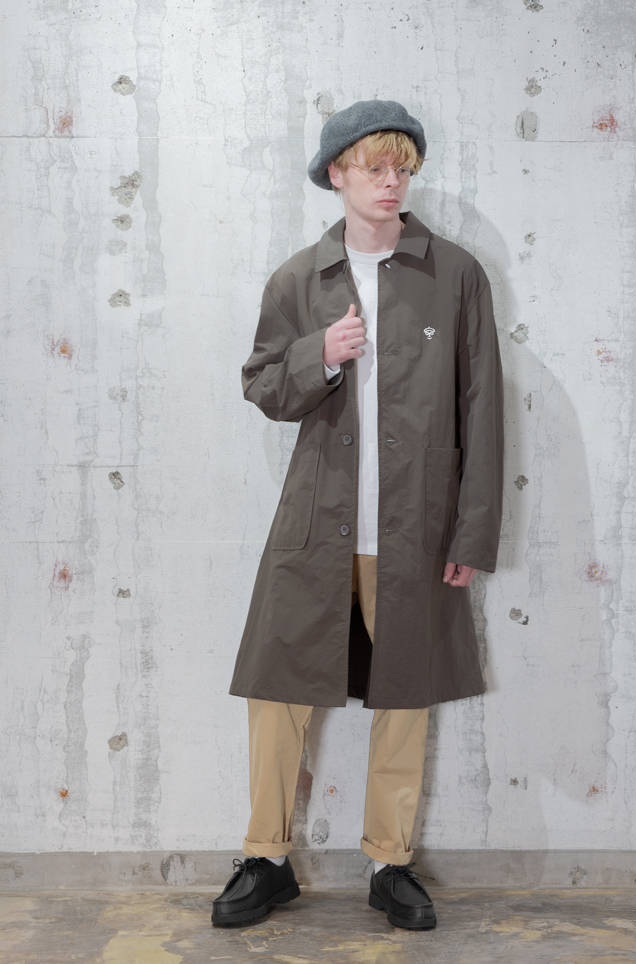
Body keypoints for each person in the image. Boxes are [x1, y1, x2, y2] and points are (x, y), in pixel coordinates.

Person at [212, 99, 503, 930]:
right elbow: (264, 385)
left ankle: (389, 863)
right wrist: (322, 355)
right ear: (335, 173)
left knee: (404, 694)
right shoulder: (298, 280)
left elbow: (481, 407)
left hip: (414, 525)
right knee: (275, 688)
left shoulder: (454, 274)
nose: (390, 181)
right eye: (374, 166)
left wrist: (472, 531)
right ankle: (266, 860)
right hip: (316, 521)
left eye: (401, 167)